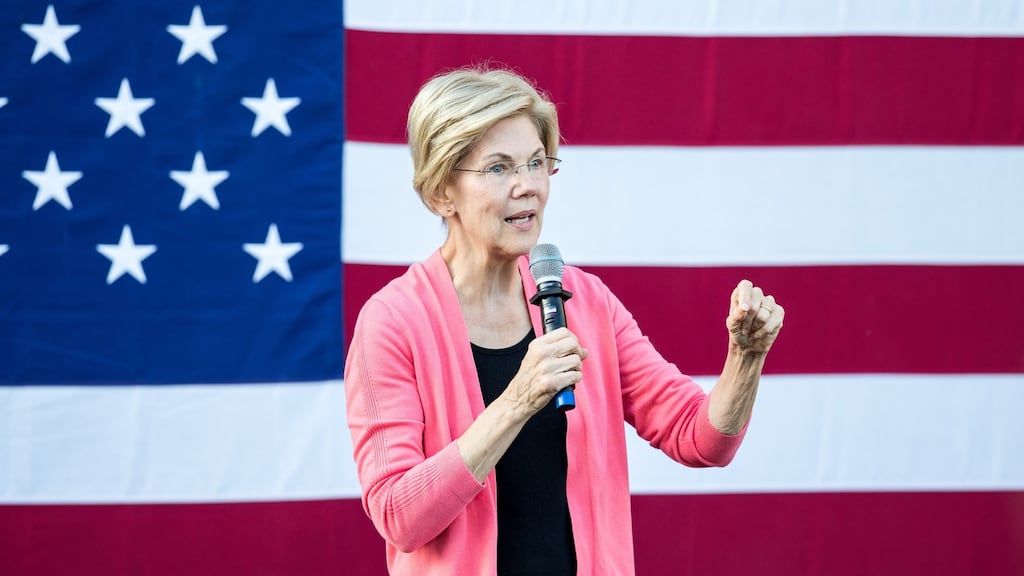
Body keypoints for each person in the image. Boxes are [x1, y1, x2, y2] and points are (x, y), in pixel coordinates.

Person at [344, 65, 785, 576]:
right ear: (442, 192)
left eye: (536, 163)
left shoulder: (586, 302)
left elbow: (701, 439)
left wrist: (745, 361)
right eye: (499, 168)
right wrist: (517, 400)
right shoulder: (393, 323)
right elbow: (399, 515)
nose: (528, 186)